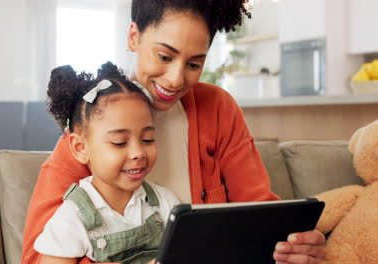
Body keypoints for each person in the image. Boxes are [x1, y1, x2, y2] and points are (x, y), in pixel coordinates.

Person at [22, 1, 326, 264]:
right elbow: (37, 256)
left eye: (195, 63)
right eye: (165, 57)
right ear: (133, 37)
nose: (176, 79)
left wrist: (292, 244)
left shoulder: (218, 109)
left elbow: (260, 214)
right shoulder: (91, 127)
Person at [33, 62, 180, 264]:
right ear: (80, 148)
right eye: (120, 143)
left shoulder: (166, 204)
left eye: (147, 139)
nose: (138, 153)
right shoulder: (72, 218)